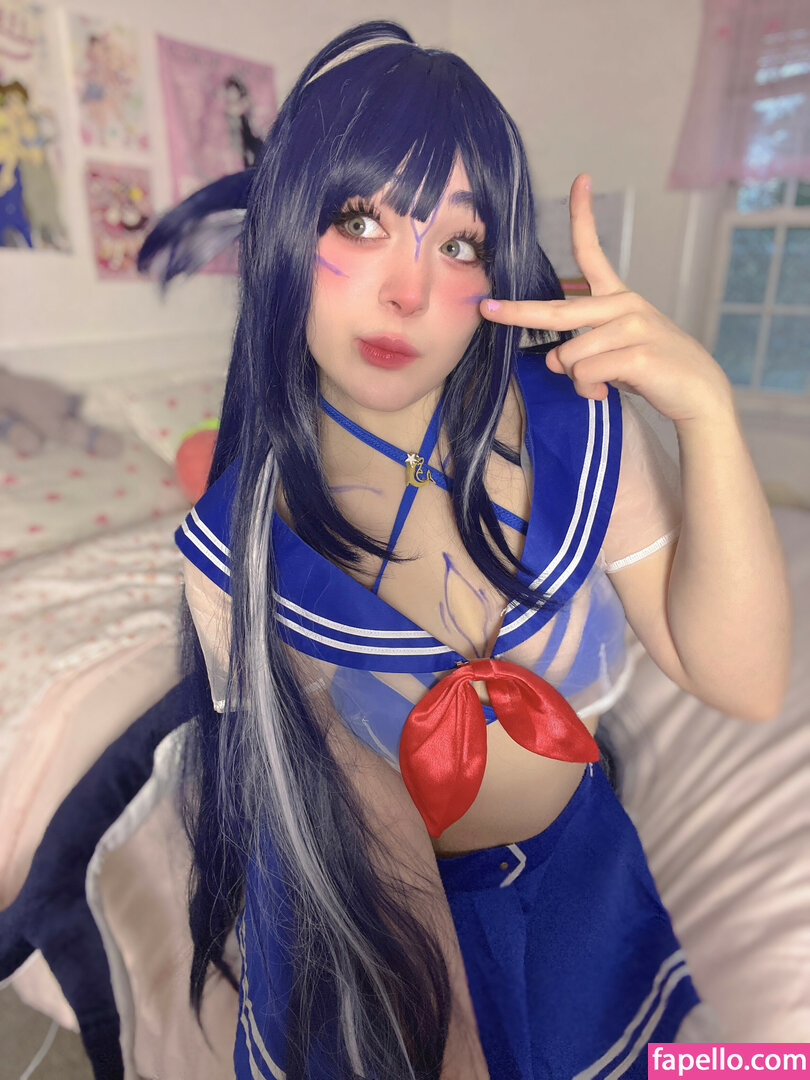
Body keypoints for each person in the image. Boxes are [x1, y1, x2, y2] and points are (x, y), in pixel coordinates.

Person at [139, 21, 791, 1080]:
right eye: (360, 221)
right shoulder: (237, 547)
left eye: (456, 244)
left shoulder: (580, 425)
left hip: (580, 887)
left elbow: (748, 682)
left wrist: (705, 408)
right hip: (373, 935)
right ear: (288, 230)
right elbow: (342, 817)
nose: (407, 292)